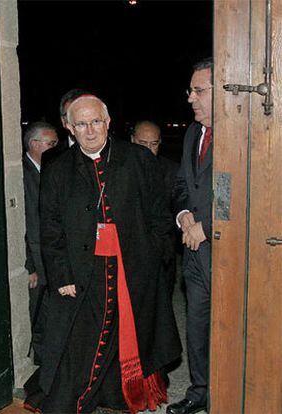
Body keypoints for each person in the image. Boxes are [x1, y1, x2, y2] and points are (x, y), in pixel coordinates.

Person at [24, 95, 181, 414]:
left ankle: (116, 396)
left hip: (132, 268)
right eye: (81, 124)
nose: (90, 130)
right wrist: (61, 275)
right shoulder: (57, 170)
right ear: (69, 127)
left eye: (96, 121)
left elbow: (159, 215)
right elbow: (49, 228)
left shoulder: (138, 159)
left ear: (108, 123)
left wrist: (152, 256)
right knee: (82, 341)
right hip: (82, 272)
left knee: (127, 335)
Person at [166, 57, 214, 414]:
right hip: (194, 252)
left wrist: (206, 226)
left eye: (198, 90)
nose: (190, 98)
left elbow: (253, 194)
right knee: (196, 323)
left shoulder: (246, 132)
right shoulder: (192, 133)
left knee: (230, 325)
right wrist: (184, 216)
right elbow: (183, 183)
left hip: (227, 250)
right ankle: (200, 390)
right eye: (190, 90)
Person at [22, 121, 58, 365]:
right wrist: (29, 265)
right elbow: (21, 222)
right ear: (35, 144)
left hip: (48, 256)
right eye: (51, 144)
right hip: (35, 259)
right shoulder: (22, 173)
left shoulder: (47, 170)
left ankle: (45, 361)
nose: (56, 148)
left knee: (47, 312)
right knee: (34, 314)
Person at [131, 120, 179, 295]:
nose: (148, 150)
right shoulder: (119, 170)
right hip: (129, 253)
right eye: (142, 144)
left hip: (162, 254)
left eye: (154, 144)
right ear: (132, 140)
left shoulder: (173, 171)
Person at [41, 88, 90, 168]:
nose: (78, 119)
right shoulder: (51, 157)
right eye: (71, 114)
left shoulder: (112, 151)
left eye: (83, 113)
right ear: (63, 121)